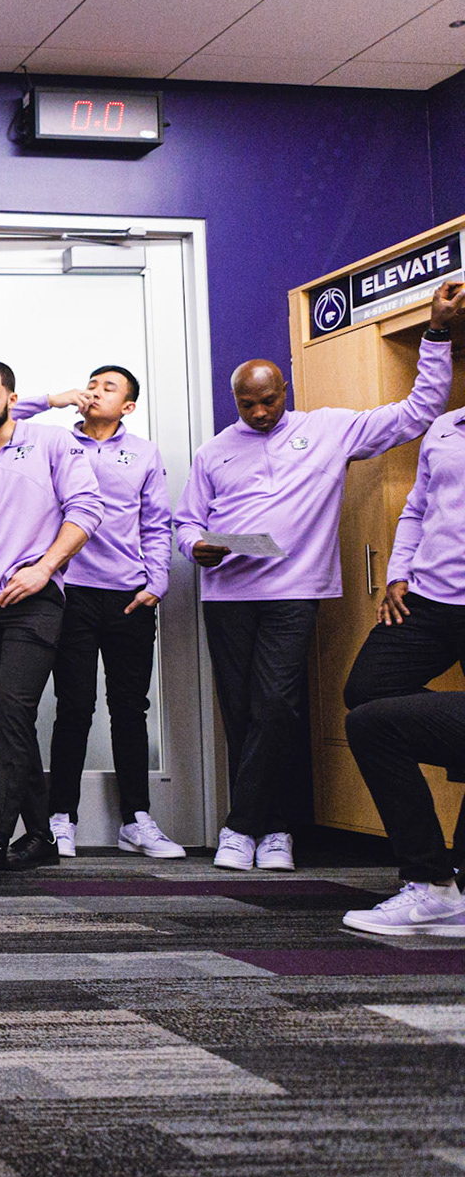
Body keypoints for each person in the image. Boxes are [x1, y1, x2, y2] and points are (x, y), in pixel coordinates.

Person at [174, 284, 459, 873]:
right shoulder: (214, 452)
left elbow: (416, 413)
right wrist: (193, 546)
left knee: (278, 706)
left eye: (269, 402)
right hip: (227, 593)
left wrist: (435, 335)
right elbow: (187, 519)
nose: (259, 414)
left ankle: (247, 824)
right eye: (248, 405)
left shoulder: (330, 430)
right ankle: (275, 829)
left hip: (295, 592)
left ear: (286, 392)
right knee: (242, 710)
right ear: (235, 401)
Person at [0, 361, 103, 883]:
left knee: (12, 707)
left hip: (35, 598)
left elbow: (87, 510)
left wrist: (44, 569)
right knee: (13, 718)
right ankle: (43, 838)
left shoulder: (50, 443)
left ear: (11, 397)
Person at [11, 367, 184, 859]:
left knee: (130, 710)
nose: (95, 391)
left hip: (128, 596)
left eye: (109, 387)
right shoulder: (54, 443)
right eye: (92, 383)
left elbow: (156, 523)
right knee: (74, 708)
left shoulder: (144, 453)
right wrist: (55, 398)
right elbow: (4, 417)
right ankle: (61, 817)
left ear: (128, 406)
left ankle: (136, 820)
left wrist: (157, 583)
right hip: (72, 593)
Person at [340, 367, 465, 936]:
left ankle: (442, 881)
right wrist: (399, 571)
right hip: (432, 599)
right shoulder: (445, 428)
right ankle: (441, 883)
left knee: (375, 725)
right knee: (364, 695)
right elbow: (417, 508)